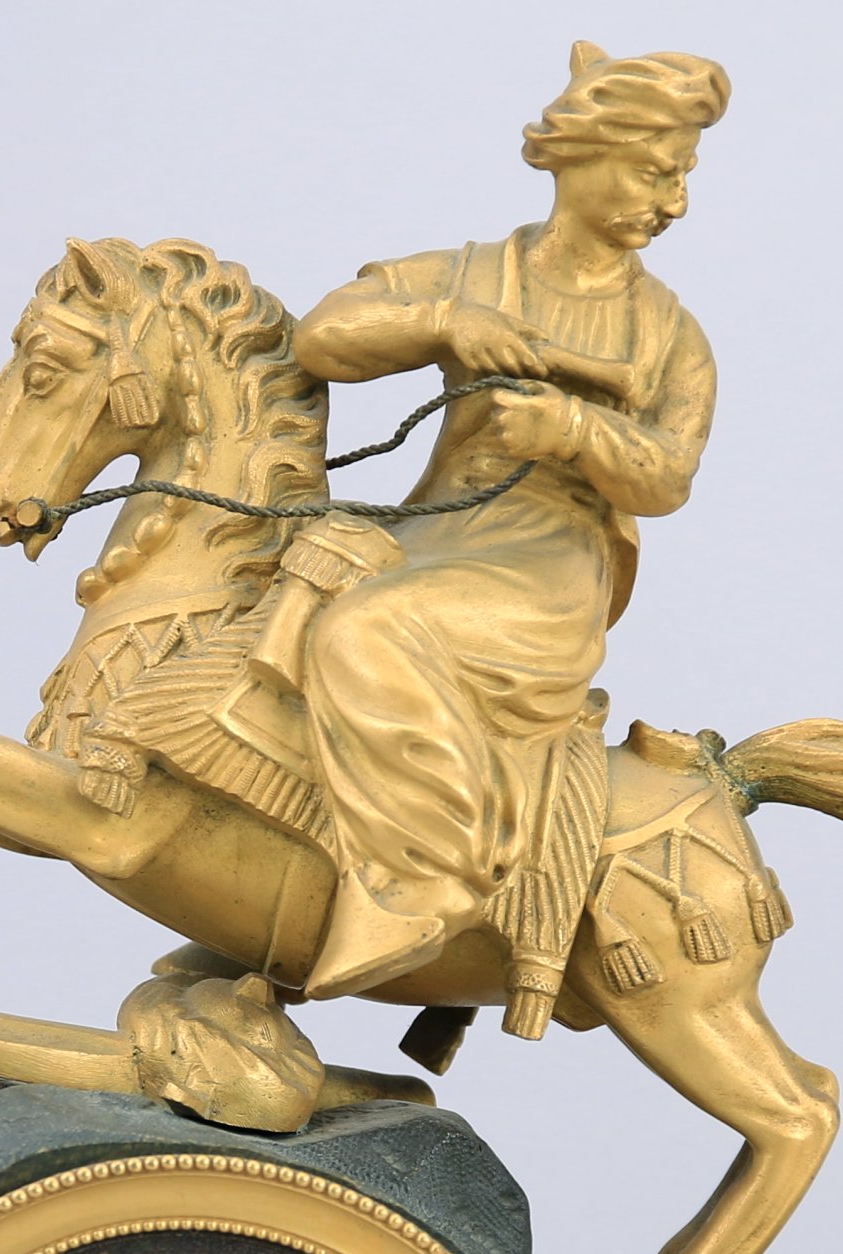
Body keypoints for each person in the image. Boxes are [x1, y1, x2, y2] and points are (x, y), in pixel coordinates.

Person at [289, 43, 728, 999]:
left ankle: (422, 883)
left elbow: (668, 475)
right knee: (275, 592)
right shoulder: (473, 273)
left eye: (683, 176)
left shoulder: (670, 334)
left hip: (547, 564)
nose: (676, 203)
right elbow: (321, 337)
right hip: (434, 531)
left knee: (369, 631)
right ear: (581, 154)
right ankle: (268, 879)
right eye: (656, 172)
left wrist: (569, 429)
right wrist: (443, 323)